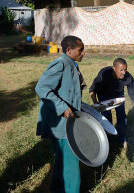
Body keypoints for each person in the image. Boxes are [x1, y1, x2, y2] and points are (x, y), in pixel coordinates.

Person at [35, 35, 86, 193]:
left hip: (68, 122)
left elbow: (74, 90)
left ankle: (57, 188)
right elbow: (42, 88)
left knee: (63, 159)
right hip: (61, 125)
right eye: (81, 50)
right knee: (71, 162)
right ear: (69, 50)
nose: (84, 53)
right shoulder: (60, 64)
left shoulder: (72, 64)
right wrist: (62, 107)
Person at [89, 58, 134, 147]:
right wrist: (96, 102)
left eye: (125, 69)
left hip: (118, 96)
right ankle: (107, 141)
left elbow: (133, 92)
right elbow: (93, 89)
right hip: (104, 95)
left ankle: (122, 139)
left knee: (121, 117)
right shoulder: (104, 74)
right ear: (114, 69)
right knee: (106, 118)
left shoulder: (127, 76)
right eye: (121, 70)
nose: (124, 72)